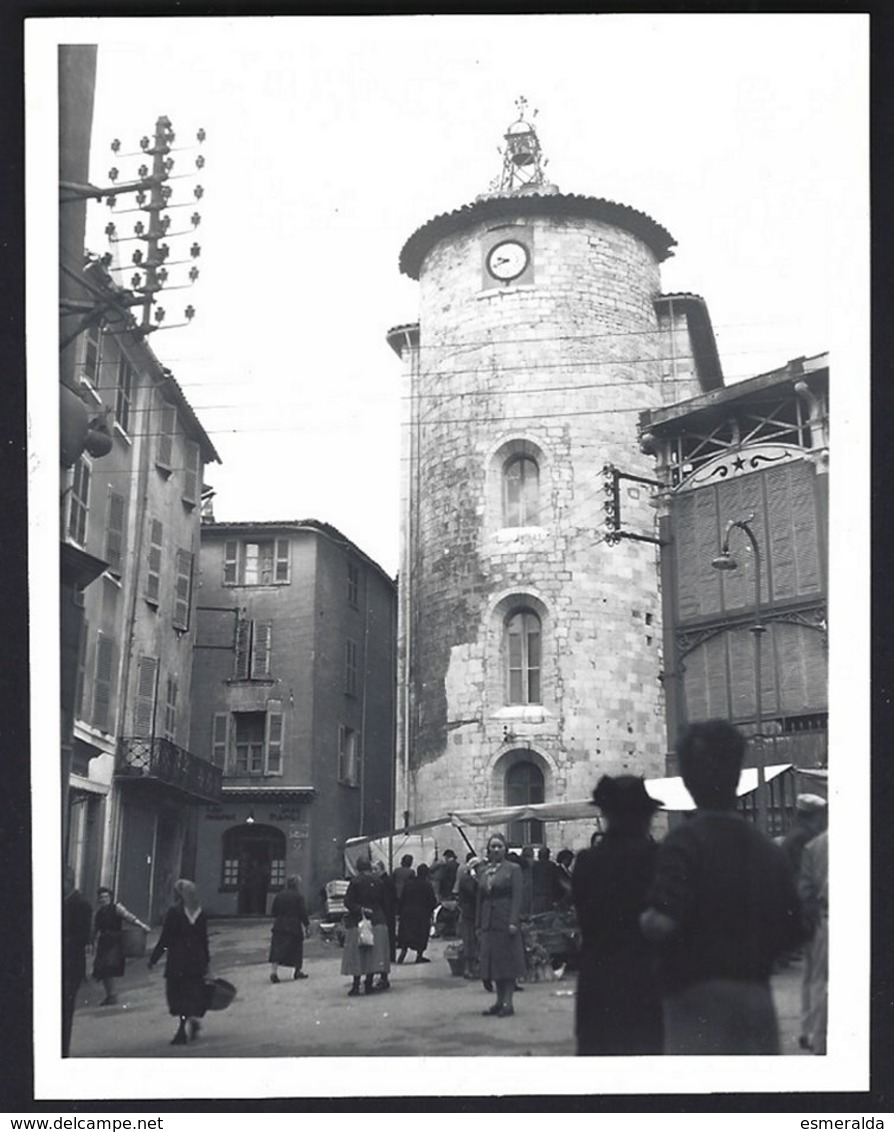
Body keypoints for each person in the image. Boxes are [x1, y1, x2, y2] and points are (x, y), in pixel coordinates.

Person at [640, 720, 805, 1055]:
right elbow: (795, 931)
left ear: (686, 780)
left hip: (694, 1002)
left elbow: (663, 921)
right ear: (737, 772)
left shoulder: (682, 842)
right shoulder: (768, 849)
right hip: (757, 999)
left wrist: (643, 919)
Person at [571, 775, 664, 1056]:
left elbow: (584, 916)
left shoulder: (587, 862)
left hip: (598, 978)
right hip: (647, 980)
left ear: (605, 815)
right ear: (646, 817)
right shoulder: (660, 858)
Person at [148, 878, 211, 1045]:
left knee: (178, 994)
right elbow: (204, 940)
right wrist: (207, 961)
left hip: (179, 958)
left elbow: (165, 938)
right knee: (190, 993)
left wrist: (154, 958)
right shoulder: (200, 912)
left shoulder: (174, 912)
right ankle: (191, 1022)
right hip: (196, 959)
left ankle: (182, 1029)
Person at [476, 832, 527, 1018]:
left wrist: (513, 921)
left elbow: (518, 896)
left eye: (499, 846)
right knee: (494, 963)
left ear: (505, 849)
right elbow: (479, 898)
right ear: (488, 850)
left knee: (508, 962)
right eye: (492, 846)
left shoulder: (513, 869)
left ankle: (509, 1003)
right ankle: (498, 1002)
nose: (496, 849)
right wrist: (478, 924)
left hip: (505, 919)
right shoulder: (483, 870)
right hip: (488, 920)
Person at [341, 856, 391, 995]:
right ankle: (369, 983)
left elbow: (348, 902)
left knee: (357, 955)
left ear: (358, 868)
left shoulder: (355, 882)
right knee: (373, 955)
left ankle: (356, 985)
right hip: (378, 921)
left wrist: (360, 909)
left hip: (359, 922)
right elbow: (385, 903)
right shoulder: (379, 882)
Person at [92, 886, 150, 1005]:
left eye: (106, 897)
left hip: (115, 941)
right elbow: (95, 929)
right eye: (101, 897)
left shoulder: (117, 908)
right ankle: (110, 995)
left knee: (108, 967)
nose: (104, 900)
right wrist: (92, 941)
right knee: (102, 969)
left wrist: (142, 926)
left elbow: (130, 917)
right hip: (104, 942)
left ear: (111, 897)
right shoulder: (98, 913)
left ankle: (112, 995)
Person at [798, 828, 828, 1054]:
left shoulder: (815, 844)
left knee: (816, 979)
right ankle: (817, 1037)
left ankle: (814, 1036)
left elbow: (805, 889)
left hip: (821, 917)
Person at [62, 866, 92, 1057]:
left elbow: (83, 936)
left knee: (64, 1010)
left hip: (70, 965)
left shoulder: (81, 904)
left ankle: (62, 1050)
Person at [268, 875, 310, 983]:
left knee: (277, 949)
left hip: (279, 925)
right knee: (297, 949)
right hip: (293, 925)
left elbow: (274, 911)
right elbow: (302, 913)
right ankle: (297, 971)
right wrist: (307, 925)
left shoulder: (280, 895)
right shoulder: (298, 896)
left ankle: (274, 972)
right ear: (296, 885)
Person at [396, 862, 438, 964]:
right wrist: (430, 910)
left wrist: (400, 912)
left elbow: (402, 899)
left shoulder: (408, 884)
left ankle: (402, 954)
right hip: (422, 915)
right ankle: (419, 956)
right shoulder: (427, 885)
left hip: (407, 914)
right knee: (421, 935)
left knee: (406, 936)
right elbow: (432, 900)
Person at [454, 851, 482, 978]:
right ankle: (468, 969)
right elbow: (473, 893)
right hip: (469, 913)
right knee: (469, 941)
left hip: (473, 913)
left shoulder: (470, 879)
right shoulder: (467, 880)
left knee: (474, 941)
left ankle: (473, 968)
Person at [372, 859, 398, 964]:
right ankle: (390, 956)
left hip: (387, 912)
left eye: (375, 869)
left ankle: (389, 956)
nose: (373, 871)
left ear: (381, 869)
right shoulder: (387, 880)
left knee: (388, 935)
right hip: (389, 912)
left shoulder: (384, 882)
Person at [531, 846, 562, 915]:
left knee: (537, 915)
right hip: (548, 894)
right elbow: (555, 881)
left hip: (537, 894)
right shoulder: (552, 865)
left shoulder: (534, 865)